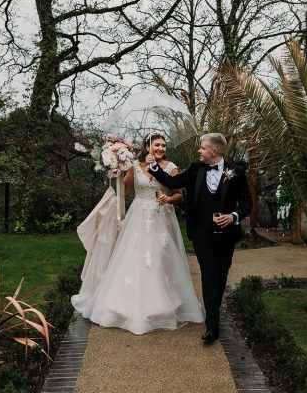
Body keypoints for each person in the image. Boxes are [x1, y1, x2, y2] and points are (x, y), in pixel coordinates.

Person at [71, 133, 203, 335]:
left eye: (163, 145)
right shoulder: (135, 166)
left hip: (160, 218)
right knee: (131, 257)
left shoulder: (170, 167)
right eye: (157, 145)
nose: (161, 148)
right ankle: (123, 305)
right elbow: (124, 191)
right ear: (147, 146)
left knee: (159, 259)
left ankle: (161, 305)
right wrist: (115, 171)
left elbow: (179, 194)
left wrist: (168, 199)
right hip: (137, 218)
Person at [147, 132, 252, 344]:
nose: (199, 151)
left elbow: (246, 203)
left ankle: (214, 309)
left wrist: (233, 216)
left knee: (221, 273)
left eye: (202, 148)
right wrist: (154, 167)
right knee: (209, 274)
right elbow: (173, 181)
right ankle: (212, 325)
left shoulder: (236, 172)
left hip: (226, 235)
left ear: (214, 151)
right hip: (201, 233)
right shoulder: (196, 169)